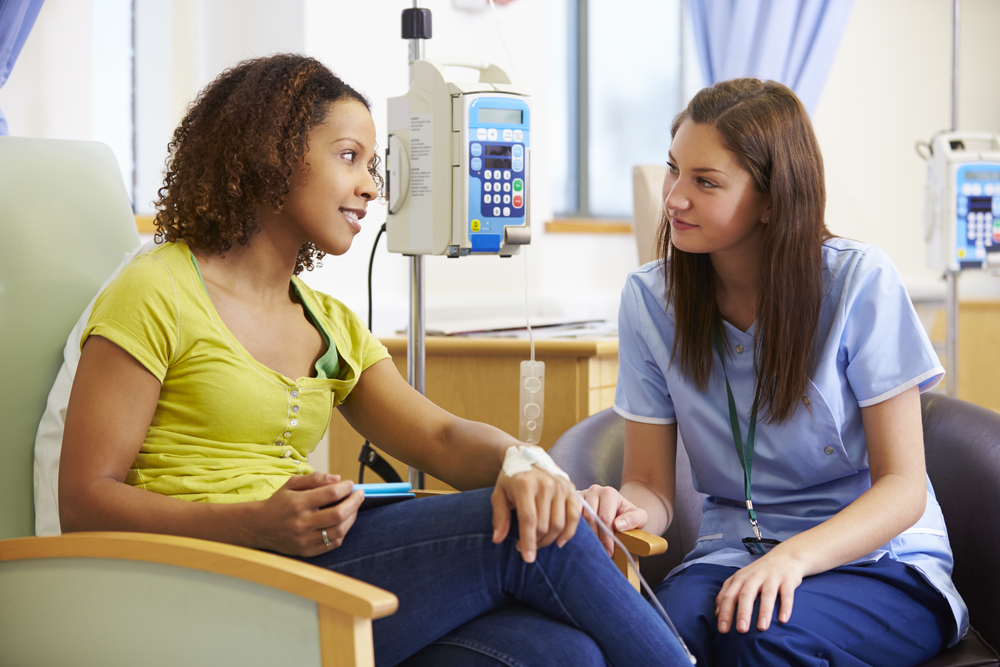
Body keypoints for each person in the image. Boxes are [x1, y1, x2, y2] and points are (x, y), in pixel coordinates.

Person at [56, 53, 692, 667]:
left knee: (560, 652)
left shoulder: (325, 321)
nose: (371, 186)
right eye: (348, 157)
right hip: (205, 583)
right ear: (271, 157)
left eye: (373, 163)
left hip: (306, 562)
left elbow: (440, 436)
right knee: (540, 535)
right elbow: (83, 503)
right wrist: (257, 523)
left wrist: (527, 464)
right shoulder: (157, 290)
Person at [582, 78, 969, 666]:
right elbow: (653, 488)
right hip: (732, 554)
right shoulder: (649, 300)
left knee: (759, 637)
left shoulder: (858, 282)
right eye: (673, 170)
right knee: (653, 641)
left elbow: (903, 489)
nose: (673, 199)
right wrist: (623, 507)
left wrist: (792, 558)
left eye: (705, 182)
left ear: (771, 199)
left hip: (876, 559)